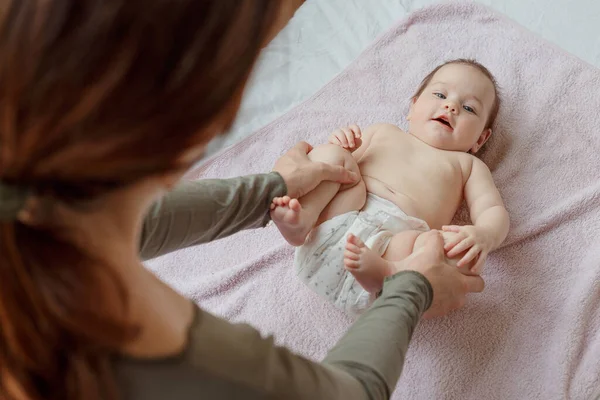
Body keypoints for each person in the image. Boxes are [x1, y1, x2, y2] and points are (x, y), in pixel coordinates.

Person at [0, 1, 484, 400]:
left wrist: (272, 188)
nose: (448, 108)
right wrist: (410, 289)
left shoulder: (36, 206)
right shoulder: (163, 349)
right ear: (212, 116)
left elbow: (123, 222)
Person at [270, 59, 509, 315]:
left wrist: (484, 234)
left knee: (452, 249)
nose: (451, 106)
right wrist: (343, 146)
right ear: (413, 106)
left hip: (398, 250)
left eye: (469, 108)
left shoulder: (468, 166)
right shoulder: (383, 132)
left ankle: (389, 276)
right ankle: (301, 222)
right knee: (332, 159)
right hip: (336, 226)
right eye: (440, 94)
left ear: (480, 139)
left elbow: (492, 209)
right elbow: (342, 169)